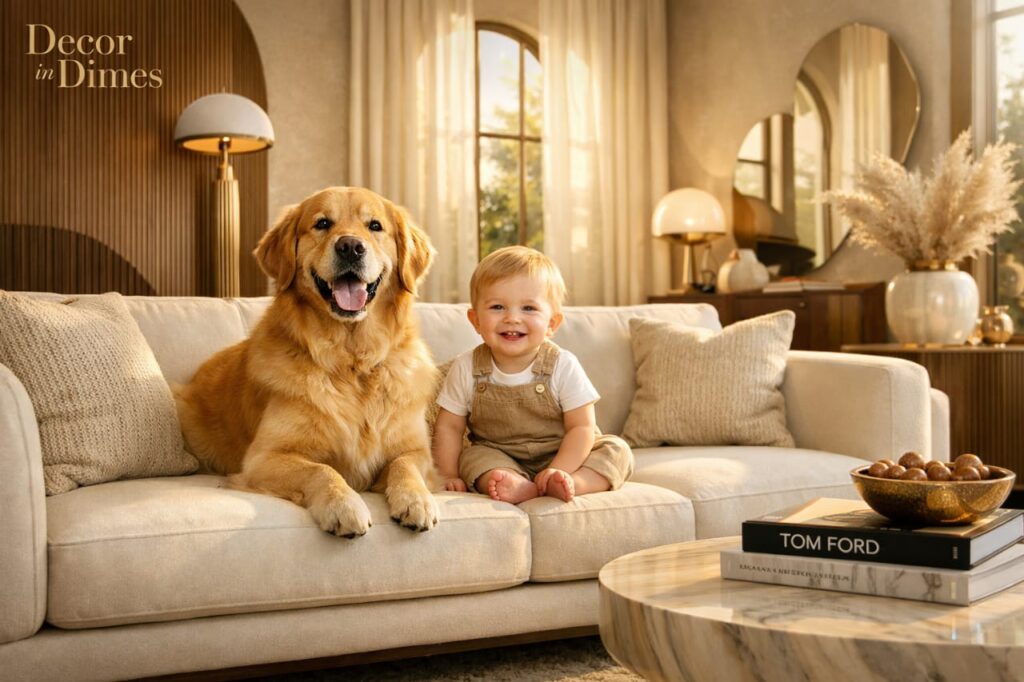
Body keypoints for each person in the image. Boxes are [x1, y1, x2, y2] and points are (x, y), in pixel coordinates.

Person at [432, 246, 633, 503]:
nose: (512, 318)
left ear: (552, 323)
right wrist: (448, 474)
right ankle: (513, 482)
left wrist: (559, 469)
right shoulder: (466, 367)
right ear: (476, 320)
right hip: (500, 454)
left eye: (528, 308)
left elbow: (581, 427)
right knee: (472, 456)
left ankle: (574, 483)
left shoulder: (563, 364)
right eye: (497, 307)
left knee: (617, 450)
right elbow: (449, 427)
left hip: (564, 451)